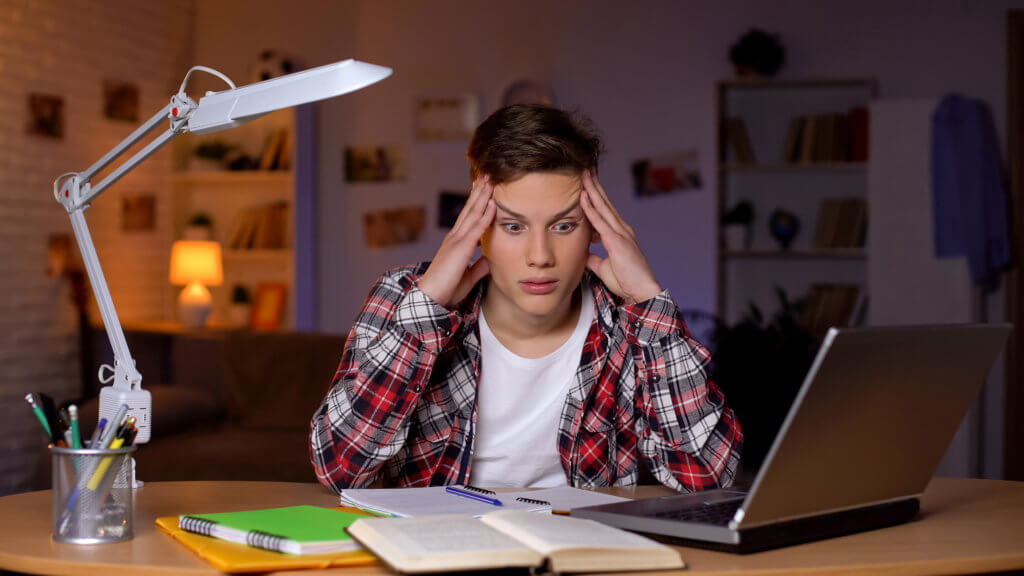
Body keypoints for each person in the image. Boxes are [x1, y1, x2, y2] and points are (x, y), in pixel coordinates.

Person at [310, 104, 742, 493]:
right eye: (513, 227)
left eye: (564, 226)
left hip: (581, 553)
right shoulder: (403, 296)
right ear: (477, 228)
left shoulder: (629, 320)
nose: (540, 257)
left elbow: (706, 474)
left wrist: (649, 300)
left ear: (596, 228)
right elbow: (340, 470)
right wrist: (428, 310)